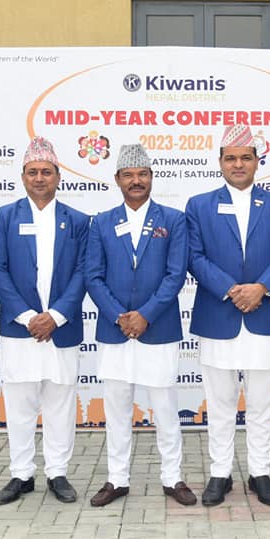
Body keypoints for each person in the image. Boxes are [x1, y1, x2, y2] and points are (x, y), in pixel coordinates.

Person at [186, 124, 270, 506]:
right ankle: (220, 473)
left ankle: (259, 473)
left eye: (245, 158)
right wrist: (232, 289)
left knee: (262, 403)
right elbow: (194, 256)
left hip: (264, 316)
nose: (238, 164)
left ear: (257, 161)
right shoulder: (199, 205)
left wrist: (261, 288)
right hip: (219, 315)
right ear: (220, 162)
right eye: (231, 158)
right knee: (219, 403)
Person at [85, 144, 195, 507]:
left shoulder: (173, 220)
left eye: (143, 174)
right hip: (114, 330)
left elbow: (175, 274)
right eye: (129, 175)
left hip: (158, 328)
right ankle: (117, 479)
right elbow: (93, 276)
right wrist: (120, 316)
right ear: (117, 179)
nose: (136, 181)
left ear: (151, 177)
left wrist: (145, 314)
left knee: (164, 408)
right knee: (117, 409)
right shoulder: (101, 222)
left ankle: (172, 477)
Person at [0, 136, 89, 505]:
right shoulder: (5, 216)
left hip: (61, 329)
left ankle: (57, 473)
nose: (40, 178)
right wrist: (30, 317)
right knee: (19, 404)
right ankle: (21, 474)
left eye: (46, 171)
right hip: (21, 330)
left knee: (60, 403)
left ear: (58, 176)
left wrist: (56, 316)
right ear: (23, 177)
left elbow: (83, 272)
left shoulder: (77, 221)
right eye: (33, 172)